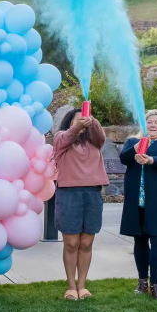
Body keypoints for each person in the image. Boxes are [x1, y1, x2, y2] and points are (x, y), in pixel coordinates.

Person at [120, 109, 157, 300]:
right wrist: (138, 146)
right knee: (140, 240)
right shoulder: (132, 142)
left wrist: (150, 159)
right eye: (149, 122)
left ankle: (155, 285)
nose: (153, 125)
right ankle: (142, 282)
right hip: (136, 200)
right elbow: (124, 158)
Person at [53, 109, 107, 300]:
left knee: (86, 243)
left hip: (92, 194)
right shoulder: (61, 138)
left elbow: (101, 136)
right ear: (70, 122)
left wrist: (93, 121)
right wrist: (77, 127)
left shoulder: (95, 141)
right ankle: (71, 287)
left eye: (86, 119)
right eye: (78, 119)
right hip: (68, 194)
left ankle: (82, 286)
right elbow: (66, 137)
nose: (83, 122)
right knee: (71, 243)